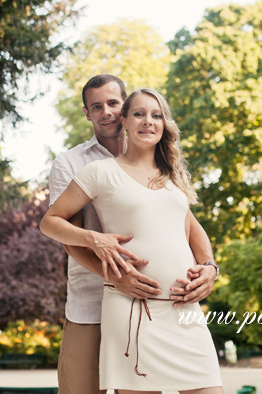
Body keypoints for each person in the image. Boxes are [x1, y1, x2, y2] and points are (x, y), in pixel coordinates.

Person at [42, 87, 223, 393]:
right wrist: (94, 239)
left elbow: (190, 227)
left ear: (165, 124)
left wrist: (209, 267)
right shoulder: (97, 172)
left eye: (156, 115)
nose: (147, 121)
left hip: (184, 310)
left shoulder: (172, 176)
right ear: (124, 121)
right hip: (134, 311)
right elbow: (50, 223)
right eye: (138, 114)